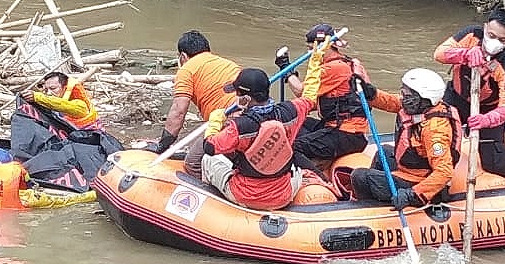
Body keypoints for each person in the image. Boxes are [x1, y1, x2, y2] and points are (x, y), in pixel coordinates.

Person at [197, 54, 325, 210]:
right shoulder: (290, 111)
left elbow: (210, 147)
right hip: (283, 194)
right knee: (293, 167)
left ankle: (210, 206)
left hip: (247, 196)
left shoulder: (239, 127)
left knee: (208, 160)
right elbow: (309, 96)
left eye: (237, 93)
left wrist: (215, 121)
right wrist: (315, 62)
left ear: (245, 99)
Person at [433, 7, 505, 186]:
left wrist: (487, 120)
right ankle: (436, 182)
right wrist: (465, 54)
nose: (495, 42)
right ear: (485, 28)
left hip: (488, 109)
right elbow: (439, 54)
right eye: (491, 35)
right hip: (456, 97)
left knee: (495, 160)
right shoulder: (470, 35)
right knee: (438, 136)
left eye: (502, 40)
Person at [349, 68, 461, 209]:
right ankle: (380, 195)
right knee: (383, 152)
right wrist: (370, 93)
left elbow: (444, 172)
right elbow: (392, 102)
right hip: (412, 168)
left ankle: (372, 207)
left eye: (407, 95)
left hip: (420, 182)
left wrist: (412, 194)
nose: (403, 97)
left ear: (422, 98)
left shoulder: (435, 131)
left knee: (360, 177)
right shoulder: (420, 107)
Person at [277, 22, 374, 165]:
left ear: (325, 47)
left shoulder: (332, 68)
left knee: (293, 146)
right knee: (293, 122)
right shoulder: (349, 63)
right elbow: (322, 101)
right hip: (348, 129)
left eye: (311, 49)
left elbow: (301, 92)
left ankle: (316, 173)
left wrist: (286, 69)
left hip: (346, 133)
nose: (310, 54)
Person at [156, 30, 241, 152]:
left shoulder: (186, 70)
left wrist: (163, 145)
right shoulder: (227, 64)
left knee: (193, 159)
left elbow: (178, 111)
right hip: (250, 115)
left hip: (228, 120)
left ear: (183, 56)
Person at [27, 71, 100, 130]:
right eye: (46, 90)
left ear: (65, 88)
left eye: (53, 88)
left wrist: (36, 97)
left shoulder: (80, 105)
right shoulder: (50, 103)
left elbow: (61, 104)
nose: (48, 93)